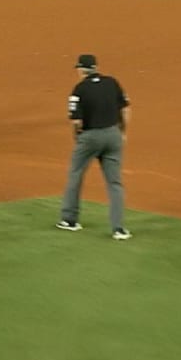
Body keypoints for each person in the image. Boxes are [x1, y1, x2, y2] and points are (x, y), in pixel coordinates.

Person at [56, 54, 132, 240]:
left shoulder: (79, 89)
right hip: (113, 134)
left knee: (76, 173)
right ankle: (118, 229)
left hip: (90, 137)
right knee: (114, 183)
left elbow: (76, 120)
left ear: (81, 70)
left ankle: (70, 220)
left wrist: (78, 137)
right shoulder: (112, 82)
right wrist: (122, 132)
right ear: (96, 67)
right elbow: (126, 108)